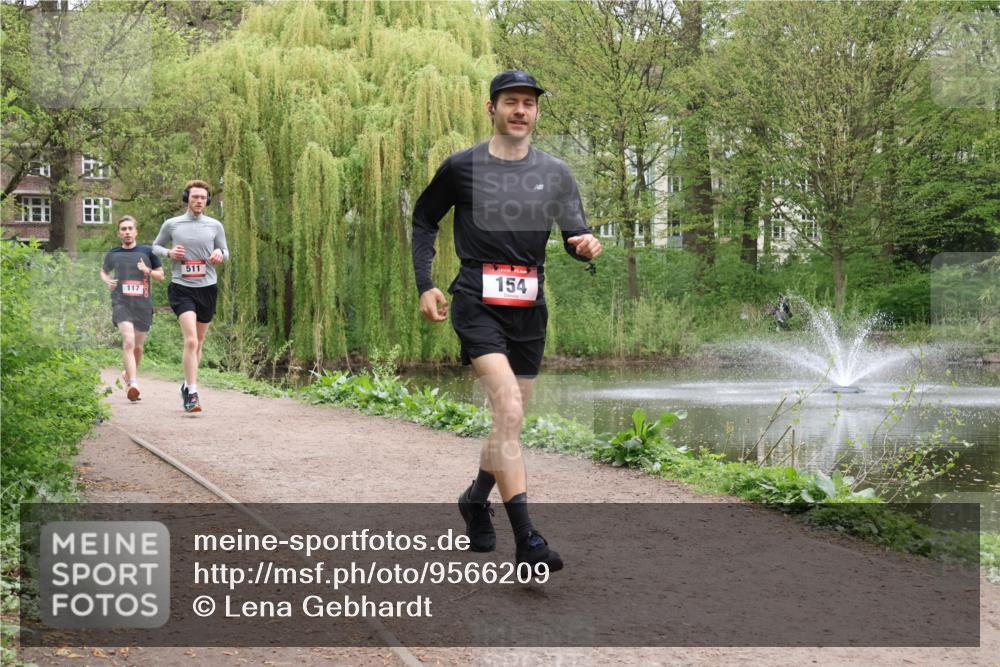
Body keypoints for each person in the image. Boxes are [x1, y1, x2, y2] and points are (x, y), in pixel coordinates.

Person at [411, 70, 602, 572]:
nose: (521, 110)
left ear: (537, 113)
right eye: (511, 102)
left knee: (508, 422)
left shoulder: (556, 172)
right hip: (477, 298)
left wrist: (585, 246)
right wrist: (425, 282)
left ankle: (475, 499)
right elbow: (424, 218)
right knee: (510, 410)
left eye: (529, 104)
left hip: (530, 306)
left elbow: (574, 234)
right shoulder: (462, 167)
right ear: (491, 108)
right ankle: (529, 541)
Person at [153, 179, 229, 413]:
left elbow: (226, 252)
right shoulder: (172, 224)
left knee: (200, 342)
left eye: (203, 198)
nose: (199, 201)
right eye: (195, 197)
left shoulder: (215, 225)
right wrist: (169, 252)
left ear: (207, 201)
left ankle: (186, 384)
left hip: (207, 287)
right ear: (187, 198)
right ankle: (193, 394)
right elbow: (154, 247)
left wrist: (219, 254)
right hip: (181, 287)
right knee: (191, 340)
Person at [101, 216, 164, 402]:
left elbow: (161, 276)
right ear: (118, 233)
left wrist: (148, 271)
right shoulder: (113, 254)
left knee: (138, 347)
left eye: (130, 228)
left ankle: (128, 374)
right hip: (121, 303)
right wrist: (106, 280)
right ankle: (133, 384)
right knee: (128, 341)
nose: (127, 232)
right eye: (123, 229)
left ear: (136, 231)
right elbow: (103, 271)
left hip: (143, 305)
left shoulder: (148, 252)